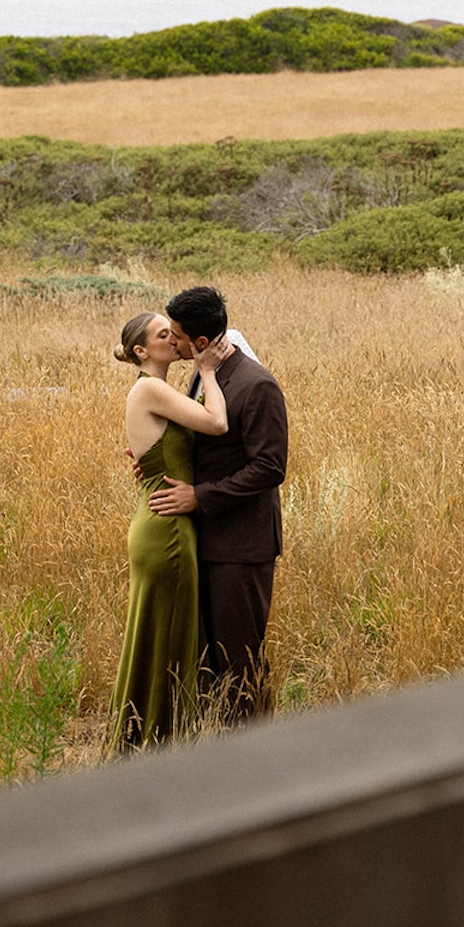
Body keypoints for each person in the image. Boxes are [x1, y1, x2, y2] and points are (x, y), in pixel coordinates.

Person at [148, 285, 288, 721]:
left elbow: (270, 467)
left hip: (242, 548)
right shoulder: (202, 372)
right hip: (208, 541)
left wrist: (199, 496)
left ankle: (254, 749)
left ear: (202, 342)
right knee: (214, 660)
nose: (172, 341)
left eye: (177, 335)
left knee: (241, 660)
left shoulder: (257, 385)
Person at [107, 311, 230, 749]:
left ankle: (144, 738)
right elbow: (216, 423)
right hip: (168, 531)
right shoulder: (152, 387)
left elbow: (165, 450)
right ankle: (161, 743)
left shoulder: (152, 392)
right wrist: (208, 370)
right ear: (142, 351)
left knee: (155, 636)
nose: (174, 338)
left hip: (157, 521)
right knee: (170, 640)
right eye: (164, 334)